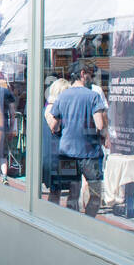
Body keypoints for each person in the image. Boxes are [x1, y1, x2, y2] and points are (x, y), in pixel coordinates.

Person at [44, 64, 109, 216]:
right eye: (90, 74)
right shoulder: (93, 96)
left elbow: (53, 125)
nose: (91, 78)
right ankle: (88, 222)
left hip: (67, 152)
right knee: (95, 194)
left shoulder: (62, 96)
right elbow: (99, 124)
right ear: (82, 74)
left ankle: (72, 223)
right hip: (89, 154)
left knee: (73, 194)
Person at [41, 77, 72, 198]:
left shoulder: (52, 107)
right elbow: (55, 127)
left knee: (63, 189)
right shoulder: (52, 108)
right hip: (55, 157)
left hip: (60, 155)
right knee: (56, 191)